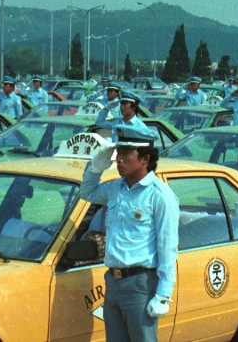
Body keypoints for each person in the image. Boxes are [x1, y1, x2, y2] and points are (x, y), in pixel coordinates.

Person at [80, 126, 179, 341]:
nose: (119, 160)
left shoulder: (159, 195)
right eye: (118, 154)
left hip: (140, 284)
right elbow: (87, 192)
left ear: (144, 159)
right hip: (113, 281)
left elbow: (168, 246)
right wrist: (95, 168)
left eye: (126, 154)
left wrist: (163, 294)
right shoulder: (116, 188)